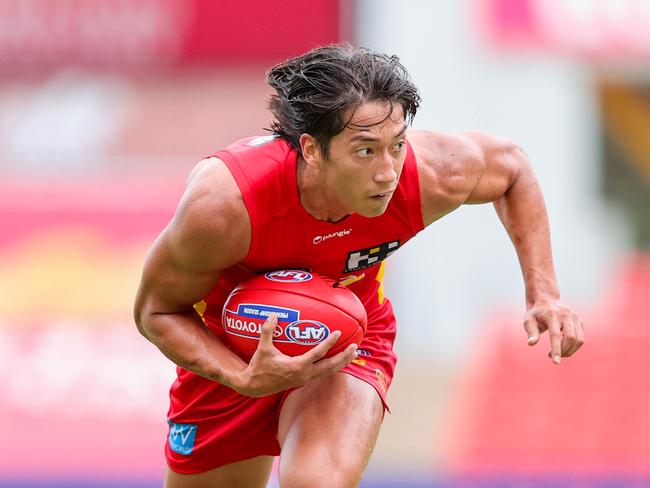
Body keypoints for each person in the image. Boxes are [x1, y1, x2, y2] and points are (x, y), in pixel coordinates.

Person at [134, 44, 584, 488]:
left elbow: (512, 170)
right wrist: (241, 376)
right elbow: (155, 310)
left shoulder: (430, 175)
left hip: (347, 337)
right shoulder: (225, 205)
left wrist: (543, 292)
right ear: (311, 149)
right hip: (232, 346)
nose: (388, 171)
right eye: (366, 151)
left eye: (398, 144)